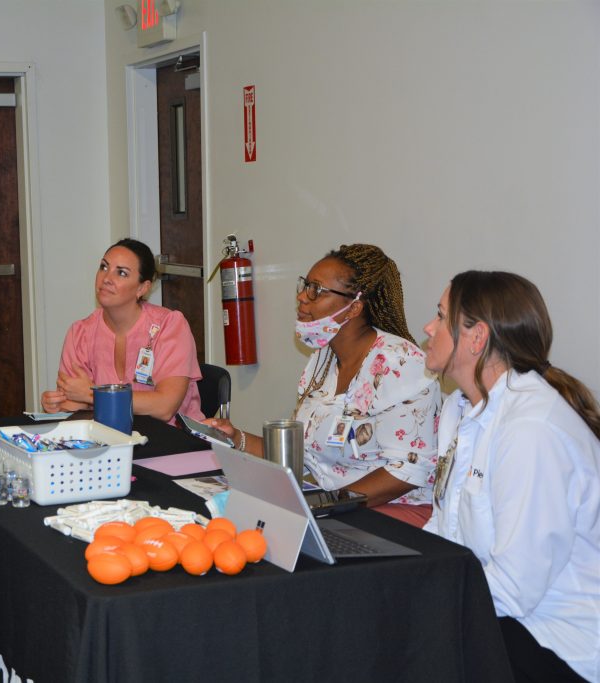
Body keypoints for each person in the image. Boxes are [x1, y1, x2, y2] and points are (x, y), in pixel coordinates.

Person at [422, 271, 599, 682]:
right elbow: (445, 531)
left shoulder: (531, 429)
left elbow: (516, 588)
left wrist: (422, 601)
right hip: (502, 620)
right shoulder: (458, 410)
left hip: (559, 644)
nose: (428, 328)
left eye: (440, 315)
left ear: (476, 338)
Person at [207, 244, 440, 525]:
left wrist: (325, 505)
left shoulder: (401, 363)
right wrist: (235, 437)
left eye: (316, 290)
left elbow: (409, 470)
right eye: (305, 285)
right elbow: (301, 452)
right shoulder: (324, 357)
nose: (302, 297)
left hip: (393, 512)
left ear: (353, 307)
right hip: (334, 505)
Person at [41, 238, 203, 424]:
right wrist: (57, 406)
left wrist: (91, 394)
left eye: (122, 273)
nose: (107, 278)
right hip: (112, 440)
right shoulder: (80, 333)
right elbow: (74, 403)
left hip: (173, 441)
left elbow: (164, 407)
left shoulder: (170, 326)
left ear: (142, 288)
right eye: (104, 267)